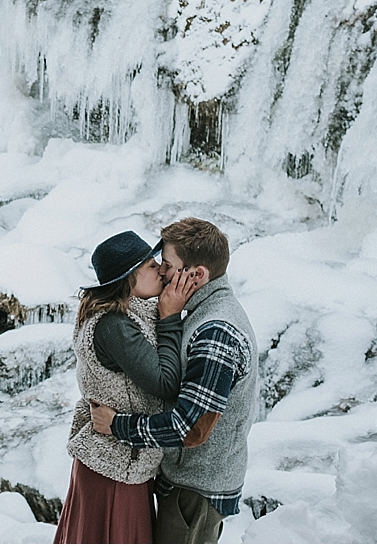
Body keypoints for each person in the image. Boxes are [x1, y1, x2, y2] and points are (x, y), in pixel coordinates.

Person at [90, 218, 258, 544]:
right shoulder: (203, 311)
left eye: (167, 265)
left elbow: (190, 428)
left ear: (196, 275)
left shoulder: (215, 332)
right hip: (188, 484)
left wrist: (116, 426)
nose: (162, 272)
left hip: (194, 491)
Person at [54, 230, 197, 544]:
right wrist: (170, 316)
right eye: (150, 265)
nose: (161, 269)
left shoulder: (128, 316)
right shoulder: (114, 325)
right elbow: (164, 383)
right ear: (128, 279)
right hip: (115, 467)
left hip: (122, 459)